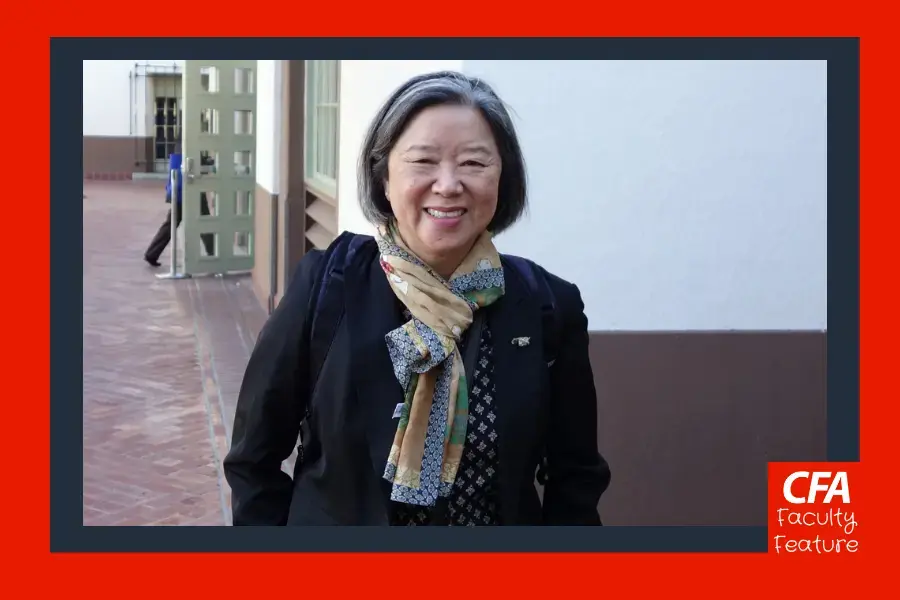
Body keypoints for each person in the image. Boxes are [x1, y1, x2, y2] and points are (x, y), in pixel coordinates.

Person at [223, 71, 611, 526]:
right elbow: (253, 459)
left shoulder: (547, 305)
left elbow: (575, 478)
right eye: (423, 161)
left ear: (503, 176)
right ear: (383, 177)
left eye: (473, 163)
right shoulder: (327, 285)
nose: (448, 185)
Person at [144, 140, 215, 267]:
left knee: (171, 223)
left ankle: (152, 253)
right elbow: (194, 166)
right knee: (205, 221)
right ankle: (214, 255)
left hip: (178, 190)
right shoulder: (191, 144)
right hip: (190, 189)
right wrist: (208, 162)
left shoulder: (179, 145)